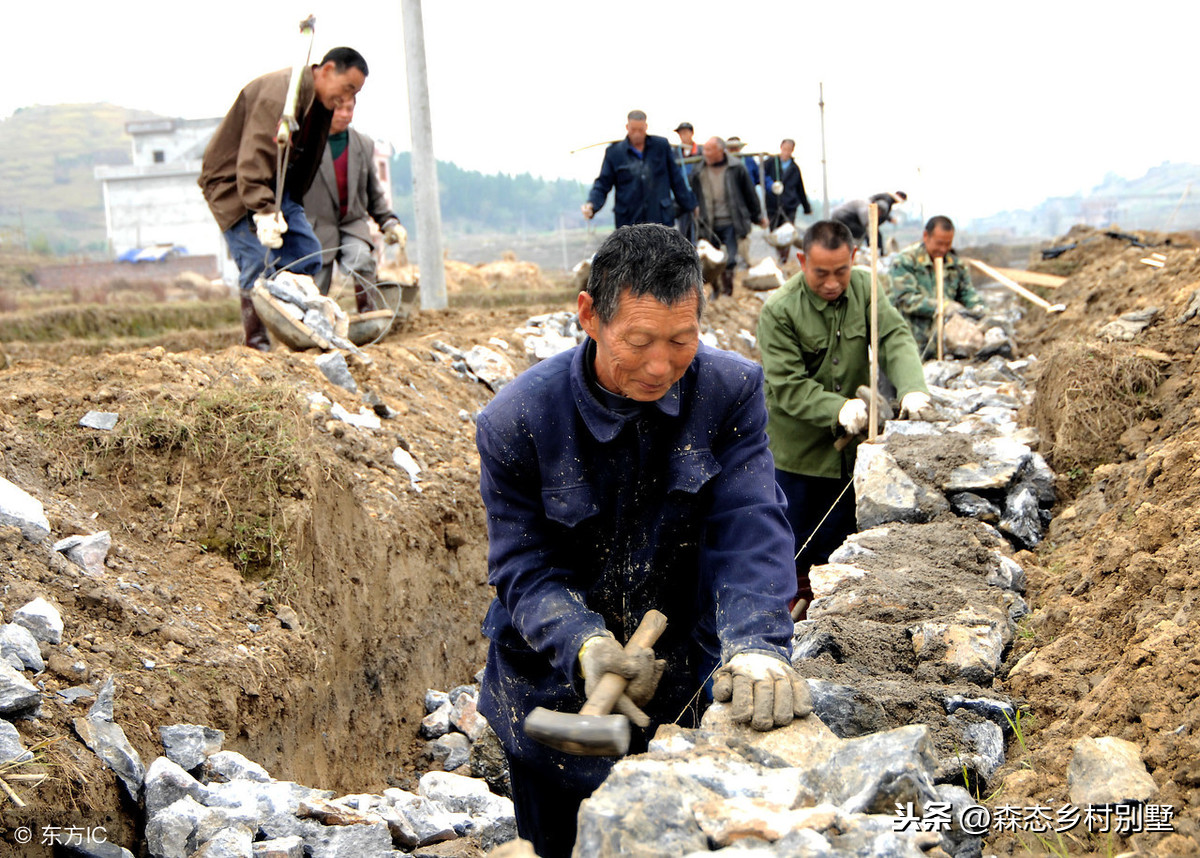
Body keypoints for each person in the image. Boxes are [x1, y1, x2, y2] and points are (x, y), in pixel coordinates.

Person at [477, 223, 809, 858]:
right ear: (589, 317)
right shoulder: (518, 420)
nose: (661, 366)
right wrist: (583, 641)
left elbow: (748, 526)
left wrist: (757, 646)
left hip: (685, 680)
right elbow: (522, 563)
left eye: (681, 341)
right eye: (639, 341)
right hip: (552, 690)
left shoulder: (729, 392)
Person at [756, 220, 932, 619]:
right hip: (797, 456)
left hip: (849, 454)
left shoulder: (866, 288)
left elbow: (893, 337)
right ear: (802, 261)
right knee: (792, 547)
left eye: (841, 271)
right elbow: (787, 386)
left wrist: (911, 387)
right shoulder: (780, 310)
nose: (833, 282)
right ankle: (785, 627)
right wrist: (838, 409)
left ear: (854, 259)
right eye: (821, 273)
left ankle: (830, 621)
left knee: (838, 543)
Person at [200, 47, 369, 351]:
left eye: (354, 93)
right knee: (256, 262)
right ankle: (257, 345)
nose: (347, 100)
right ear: (328, 70)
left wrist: (289, 208)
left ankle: (299, 333)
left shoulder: (321, 105)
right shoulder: (278, 96)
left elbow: (304, 162)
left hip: (280, 187)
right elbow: (252, 159)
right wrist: (263, 210)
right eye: (347, 89)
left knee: (307, 253)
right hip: (235, 186)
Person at [303, 94, 406, 311]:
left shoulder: (363, 145)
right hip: (316, 227)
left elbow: (374, 193)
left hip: (351, 224)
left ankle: (370, 316)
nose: (344, 115)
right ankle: (310, 327)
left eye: (349, 109)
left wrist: (389, 222)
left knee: (363, 261)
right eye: (338, 109)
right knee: (314, 284)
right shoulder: (307, 143)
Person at [582, 111, 696, 229]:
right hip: (628, 221)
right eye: (633, 130)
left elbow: (677, 180)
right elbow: (603, 184)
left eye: (641, 130)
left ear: (646, 127)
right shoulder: (614, 153)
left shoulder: (661, 147)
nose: (637, 134)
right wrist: (592, 205)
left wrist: (691, 205)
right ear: (627, 127)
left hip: (660, 220)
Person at [888, 215, 984, 356]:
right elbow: (905, 299)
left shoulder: (956, 266)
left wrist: (980, 310)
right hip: (909, 343)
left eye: (948, 244)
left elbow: (967, 294)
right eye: (939, 243)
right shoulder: (905, 261)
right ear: (926, 236)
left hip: (943, 344)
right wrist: (942, 306)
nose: (943, 249)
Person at [690, 137, 767, 298]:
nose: (705, 153)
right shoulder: (699, 171)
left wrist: (757, 216)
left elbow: (749, 193)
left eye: (709, 150)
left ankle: (727, 291)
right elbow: (691, 195)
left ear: (720, 151)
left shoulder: (736, 168)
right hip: (708, 222)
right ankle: (716, 288)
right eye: (705, 150)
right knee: (710, 261)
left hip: (732, 221)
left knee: (730, 259)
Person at [763, 138, 813, 263]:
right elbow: (761, 176)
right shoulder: (770, 163)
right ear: (781, 148)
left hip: (790, 205)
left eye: (789, 150)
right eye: (784, 149)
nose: (786, 152)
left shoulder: (794, 168)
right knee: (774, 231)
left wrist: (806, 207)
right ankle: (780, 255)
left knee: (787, 232)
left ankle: (784, 258)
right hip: (773, 204)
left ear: (792, 151)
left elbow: (800, 188)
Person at [830, 191, 907, 250]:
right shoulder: (869, 207)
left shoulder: (884, 199)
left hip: (843, 217)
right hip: (843, 217)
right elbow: (867, 225)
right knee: (862, 232)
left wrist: (889, 219)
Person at [673, 121, 700, 243]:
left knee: (699, 228)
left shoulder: (701, 151)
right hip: (681, 197)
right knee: (684, 230)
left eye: (685, 132)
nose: (683, 135)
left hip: (699, 193)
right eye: (681, 133)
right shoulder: (675, 153)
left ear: (691, 133)